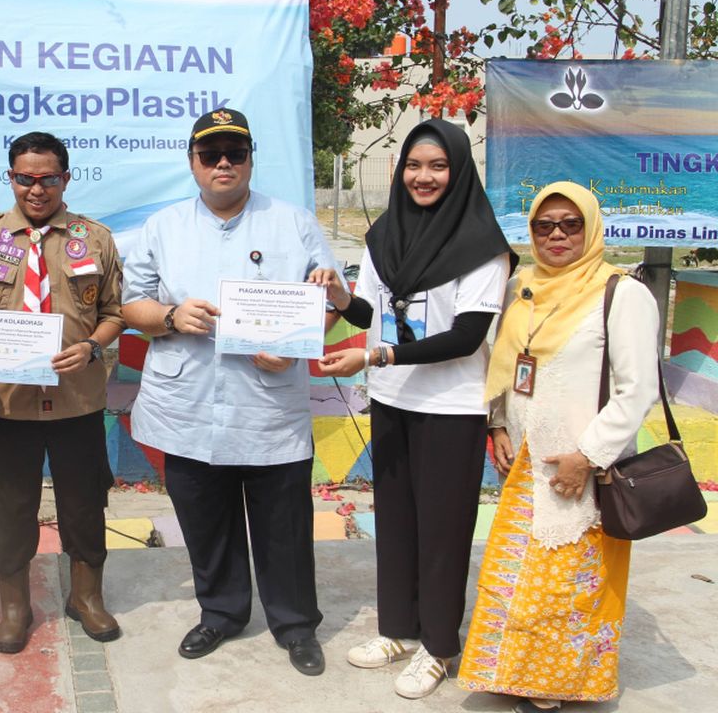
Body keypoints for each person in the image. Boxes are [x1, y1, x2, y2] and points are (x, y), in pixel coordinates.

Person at [121, 108, 343, 676]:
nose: (223, 164)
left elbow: (331, 304)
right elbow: (129, 305)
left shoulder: (292, 223)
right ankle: (221, 612)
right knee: (205, 521)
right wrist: (170, 315)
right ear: (193, 162)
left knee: (283, 525)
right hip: (187, 403)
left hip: (267, 404)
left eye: (235, 154)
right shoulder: (163, 227)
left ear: (249, 159)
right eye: (211, 154)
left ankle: (294, 624)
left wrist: (301, 337)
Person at [319, 118, 515, 699]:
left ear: (458, 173)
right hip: (393, 399)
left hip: (451, 408)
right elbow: (371, 315)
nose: (422, 177)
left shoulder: (483, 247)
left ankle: (439, 646)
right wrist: (341, 301)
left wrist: (375, 355)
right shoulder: (385, 235)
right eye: (413, 165)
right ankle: (397, 631)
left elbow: (467, 337)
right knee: (398, 521)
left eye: (437, 166)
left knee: (444, 529)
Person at [458, 181, 661, 712]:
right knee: (523, 575)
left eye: (571, 224)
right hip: (526, 460)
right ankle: (519, 672)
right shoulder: (522, 287)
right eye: (544, 225)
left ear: (590, 228)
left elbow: (637, 390)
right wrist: (498, 424)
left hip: (579, 465)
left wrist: (587, 456)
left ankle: (555, 684)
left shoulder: (621, 294)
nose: (557, 235)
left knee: (571, 584)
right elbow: (505, 363)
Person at [0, 131, 124, 653]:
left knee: (85, 503)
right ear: (11, 178)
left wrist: (91, 346)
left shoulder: (95, 239)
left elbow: (113, 314)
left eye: (48, 179)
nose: (37, 189)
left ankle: (86, 598)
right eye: (26, 178)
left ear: (65, 179)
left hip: (78, 402)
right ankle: (15, 608)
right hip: (11, 406)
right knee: (12, 506)